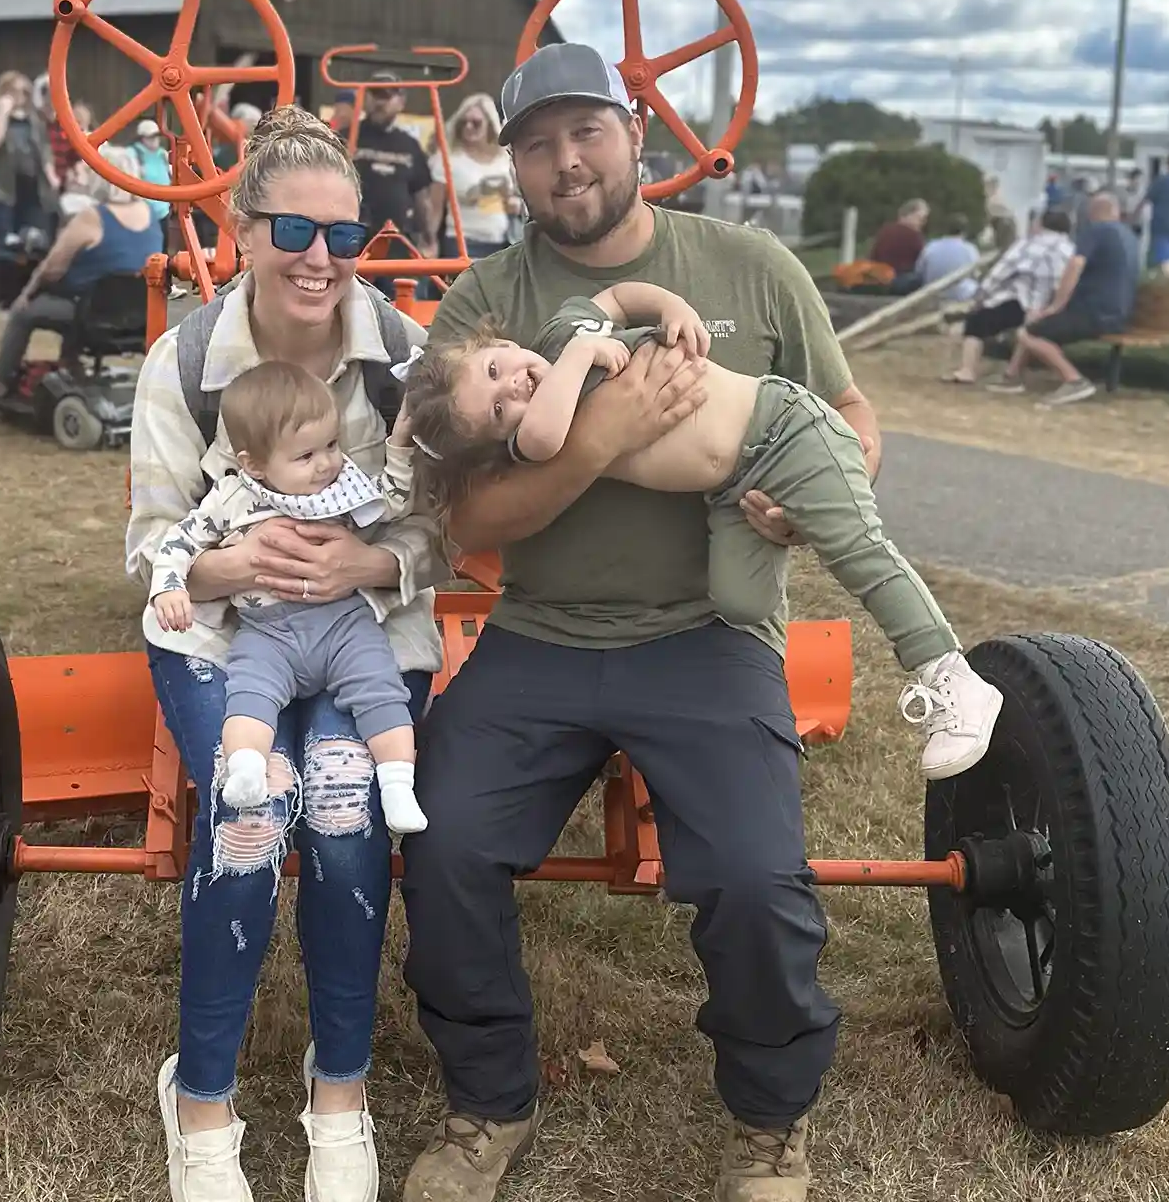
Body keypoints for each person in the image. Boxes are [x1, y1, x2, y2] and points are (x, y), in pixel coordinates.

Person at [396, 41, 883, 1202]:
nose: (569, 162)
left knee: (759, 876)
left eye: (588, 132)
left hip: (707, 635)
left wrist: (810, 495)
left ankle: (770, 1119)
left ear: (635, 135)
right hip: (542, 635)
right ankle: (488, 1098)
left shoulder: (748, 267)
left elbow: (855, 418)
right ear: (511, 165)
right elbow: (469, 521)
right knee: (441, 835)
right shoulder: (487, 306)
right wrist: (598, 437)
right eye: (539, 143)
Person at [125, 106, 442, 1202]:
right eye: (293, 230)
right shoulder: (190, 361)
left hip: (361, 632)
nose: (320, 256)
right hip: (230, 637)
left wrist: (375, 557)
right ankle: (201, 1095)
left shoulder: (405, 356)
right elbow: (152, 541)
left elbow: (441, 533)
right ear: (243, 231)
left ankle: (339, 1084)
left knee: (351, 804)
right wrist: (229, 561)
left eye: (343, 234)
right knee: (249, 815)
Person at [404, 281, 1000, 778]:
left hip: (786, 429)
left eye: (495, 366)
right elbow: (542, 437)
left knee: (857, 551)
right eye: (496, 410)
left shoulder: (561, 333)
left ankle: (949, 674)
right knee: (741, 602)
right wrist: (583, 359)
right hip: (734, 489)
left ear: (501, 343)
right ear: (495, 441)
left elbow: (615, 297)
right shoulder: (539, 422)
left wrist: (669, 307)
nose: (513, 387)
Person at [149, 359, 427, 836]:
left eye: (332, 445)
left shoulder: (340, 483)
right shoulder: (232, 498)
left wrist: (398, 445)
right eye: (305, 456)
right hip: (268, 632)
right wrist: (169, 587)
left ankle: (398, 782)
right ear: (253, 462)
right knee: (249, 697)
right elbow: (178, 543)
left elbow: (391, 501)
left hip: (343, 623)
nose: (326, 462)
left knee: (380, 690)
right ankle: (247, 770)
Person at [0, 173, 159, 399]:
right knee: (83, 297)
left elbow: (52, 269)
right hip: (139, 316)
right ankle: (70, 363)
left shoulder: (92, 218)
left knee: (25, 312)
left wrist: (27, 293)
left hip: (92, 316)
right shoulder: (151, 214)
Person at [988, 190, 1138, 405]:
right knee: (1036, 323)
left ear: (1092, 212)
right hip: (1120, 313)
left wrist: (1057, 305)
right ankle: (1012, 376)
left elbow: (1075, 264)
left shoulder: (1095, 231)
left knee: (1027, 333)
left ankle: (1074, 380)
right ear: (1116, 211)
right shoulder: (1129, 235)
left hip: (1095, 313)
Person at [942, 208, 1075, 384]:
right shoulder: (1071, 248)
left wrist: (979, 297)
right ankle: (1012, 373)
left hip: (1021, 302)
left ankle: (967, 370)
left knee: (977, 323)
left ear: (1041, 224)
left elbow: (1000, 273)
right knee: (1031, 328)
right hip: (1053, 306)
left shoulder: (1028, 244)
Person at [0, 71, 56, 246]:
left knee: (35, 240)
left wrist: (51, 174)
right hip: (1, 189)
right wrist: (2, 112)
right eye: (13, 91)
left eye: (24, 92)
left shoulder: (34, 120)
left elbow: (44, 149)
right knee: (3, 243)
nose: (20, 96)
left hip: (34, 189)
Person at [353, 89, 438, 256]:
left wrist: (429, 238)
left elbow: (421, 196)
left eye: (386, 97)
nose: (380, 103)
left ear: (401, 102)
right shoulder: (347, 136)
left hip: (399, 240)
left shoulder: (409, 145)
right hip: (355, 239)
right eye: (375, 95)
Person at [443, 92, 515, 259]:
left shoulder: (504, 157)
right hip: (462, 241)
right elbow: (434, 204)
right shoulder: (449, 158)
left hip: (501, 241)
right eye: (464, 122)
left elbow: (518, 196)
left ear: (489, 125)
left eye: (476, 123)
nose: (468, 127)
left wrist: (513, 202)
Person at [909, 214, 979, 302]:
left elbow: (919, 271)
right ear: (964, 231)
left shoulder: (931, 247)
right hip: (961, 295)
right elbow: (976, 274)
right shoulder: (970, 249)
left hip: (933, 295)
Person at [870, 198, 927, 278]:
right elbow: (924, 262)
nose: (923, 223)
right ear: (908, 215)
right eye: (920, 218)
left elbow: (872, 256)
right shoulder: (914, 237)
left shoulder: (884, 231)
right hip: (901, 282)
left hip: (878, 279)